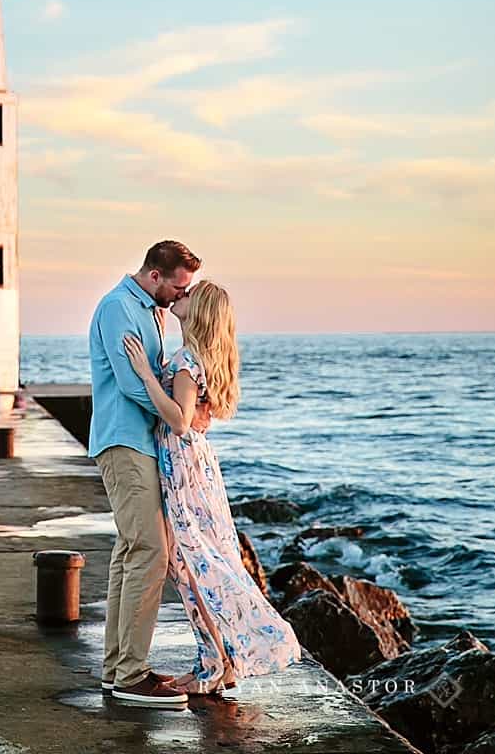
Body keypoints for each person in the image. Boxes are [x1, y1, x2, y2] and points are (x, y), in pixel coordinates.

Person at [124, 280, 303, 695]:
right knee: (202, 563)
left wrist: (145, 375)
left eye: (188, 295)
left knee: (194, 566)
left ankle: (217, 665)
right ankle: (219, 664)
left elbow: (180, 419)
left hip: (184, 466)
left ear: (199, 311)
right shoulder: (204, 358)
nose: (179, 297)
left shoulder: (187, 360)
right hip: (199, 465)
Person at [87, 240, 208, 707]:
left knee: (130, 552)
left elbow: (151, 377)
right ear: (155, 275)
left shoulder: (153, 310)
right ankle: (131, 675)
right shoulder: (119, 307)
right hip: (125, 441)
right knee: (152, 553)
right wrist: (176, 412)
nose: (183, 294)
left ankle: (119, 667)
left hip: (141, 443)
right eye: (179, 285)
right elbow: (133, 383)